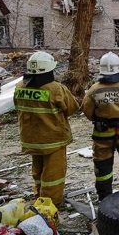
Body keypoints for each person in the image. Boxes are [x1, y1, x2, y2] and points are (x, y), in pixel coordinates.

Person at [13, 51, 79, 206]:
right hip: (53, 139)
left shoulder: (19, 86)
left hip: (31, 138)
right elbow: (72, 108)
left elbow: (17, 106)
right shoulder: (56, 89)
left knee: (38, 169)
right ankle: (51, 202)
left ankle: (38, 195)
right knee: (54, 173)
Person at [81, 52, 119, 200]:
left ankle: (105, 199)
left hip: (102, 137)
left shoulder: (94, 89)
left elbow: (88, 112)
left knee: (103, 170)